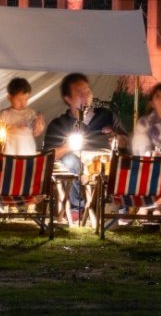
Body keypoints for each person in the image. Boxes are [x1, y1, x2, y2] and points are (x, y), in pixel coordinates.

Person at [42, 72, 125, 218]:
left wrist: (117, 138)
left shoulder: (106, 116)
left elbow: (126, 140)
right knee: (71, 160)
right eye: (79, 93)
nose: (85, 96)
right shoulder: (59, 125)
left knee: (119, 160)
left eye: (87, 91)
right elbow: (48, 156)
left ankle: (116, 203)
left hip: (103, 162)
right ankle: (79, 205)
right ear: (68, 99)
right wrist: (68, 147)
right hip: (76, 165)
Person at [0, 76, 41, 155]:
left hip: (28, 153)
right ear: (9, 98)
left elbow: (36, 132)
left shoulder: (31, 113)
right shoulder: (4, 114)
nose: (23, 103)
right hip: (10, 155)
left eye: (26, 99)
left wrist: (39, 124)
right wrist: (13, 129)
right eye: (19, 100)